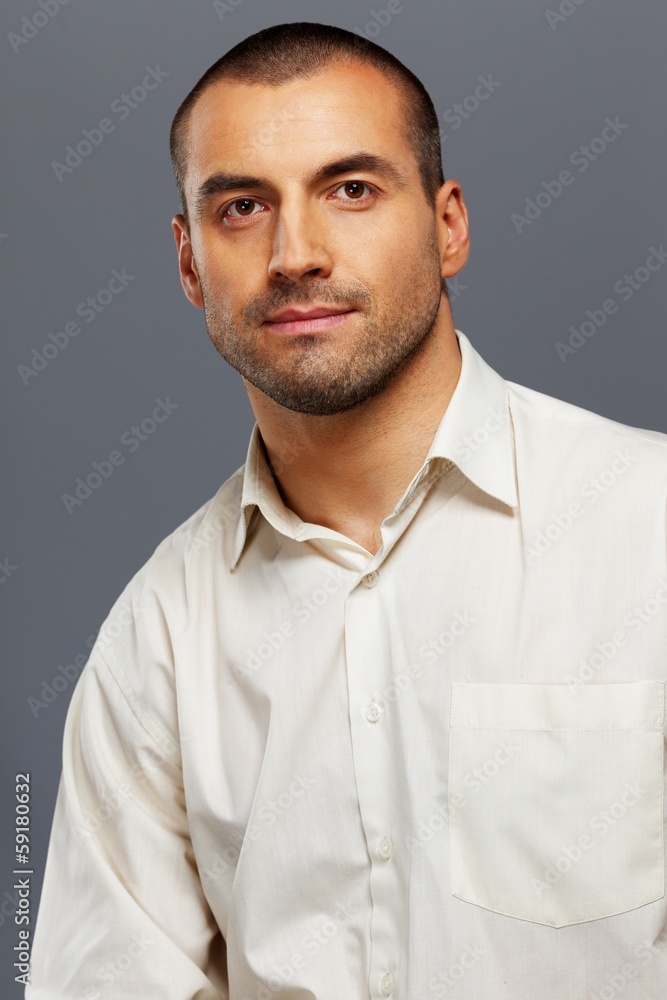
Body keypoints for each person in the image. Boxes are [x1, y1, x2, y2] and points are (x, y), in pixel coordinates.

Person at [28, 20, 667, 1000]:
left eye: (351, 189)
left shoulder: (645, 529)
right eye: (242, 207)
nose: (296, 253)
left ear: (447, 226)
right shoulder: (158, 638)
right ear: (189, 263)